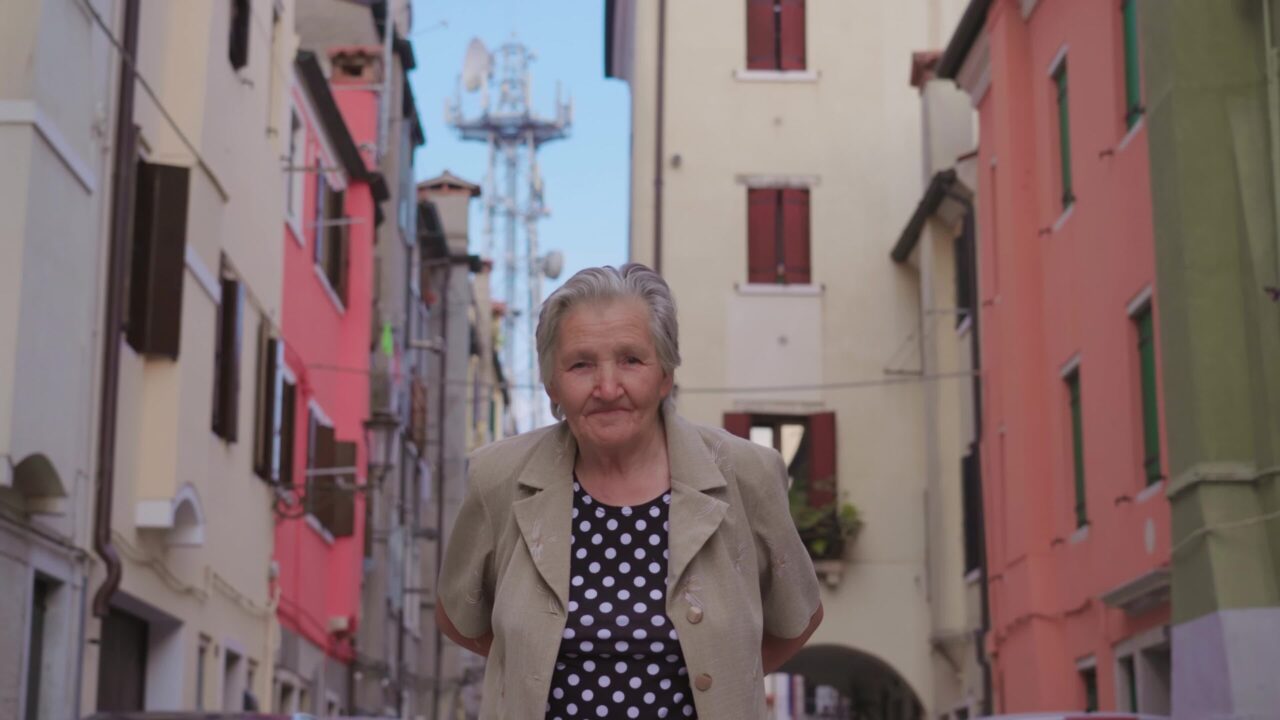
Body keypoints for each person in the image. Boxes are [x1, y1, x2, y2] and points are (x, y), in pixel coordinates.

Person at [436, 264, 823, 719]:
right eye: (581, 364)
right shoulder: (499, 478)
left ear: (664, 376)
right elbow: (457, 616)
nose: (607, 387)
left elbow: (798, 617)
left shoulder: (744, 474)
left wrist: (720, 677)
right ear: (551, 386)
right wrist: (528, 667)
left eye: (631, 360)